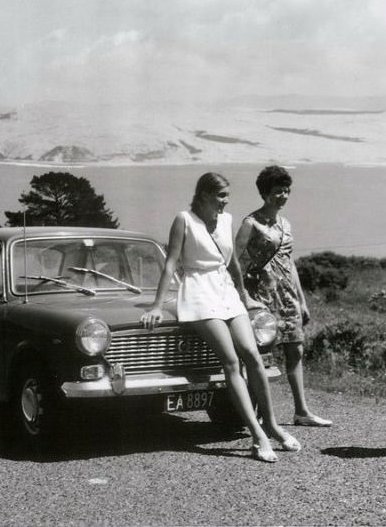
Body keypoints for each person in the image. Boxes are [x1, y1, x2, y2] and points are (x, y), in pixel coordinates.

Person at [141, 172, 301, 463]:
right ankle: (257, 435)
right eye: (221, 195)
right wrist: (155, 305)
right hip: (199, 294)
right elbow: (171, 264)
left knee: (252, 355)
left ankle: (273, 426)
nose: (226, 201)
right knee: (230, 361)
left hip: (226, 293)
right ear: (203, 194)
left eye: (227, 195)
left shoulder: (226, 220)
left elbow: (233, 264)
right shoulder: (184, 220)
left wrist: (244, 296)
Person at [235, 165, 332, 427]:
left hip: (287, 295)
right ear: (265, 193)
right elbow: (234, 262)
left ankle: (301, 411)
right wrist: (243, 296)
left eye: (286, 191)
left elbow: (289, 263)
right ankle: (259, 414)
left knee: (295, 350)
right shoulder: (250, 223)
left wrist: (301, 300)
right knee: (259, 355)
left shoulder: (285, 223)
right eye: (278, 191)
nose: (283, 196)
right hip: (260, 298)